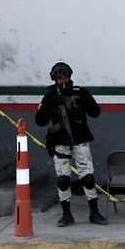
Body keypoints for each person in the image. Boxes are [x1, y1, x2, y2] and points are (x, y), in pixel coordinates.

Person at [35, 61, 108, 227]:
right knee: (63, 180)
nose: (63, 80)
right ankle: (66, 215)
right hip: (60, 142)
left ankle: (94, 212)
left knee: (88, 178)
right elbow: (40, 121)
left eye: (65, 77)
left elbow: (95, 112)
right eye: (59, 78)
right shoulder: (50, 96)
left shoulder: (80, 92)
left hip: (80, 140)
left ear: (69, 76)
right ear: (54, 79)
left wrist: (83, 101)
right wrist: (49, 106)